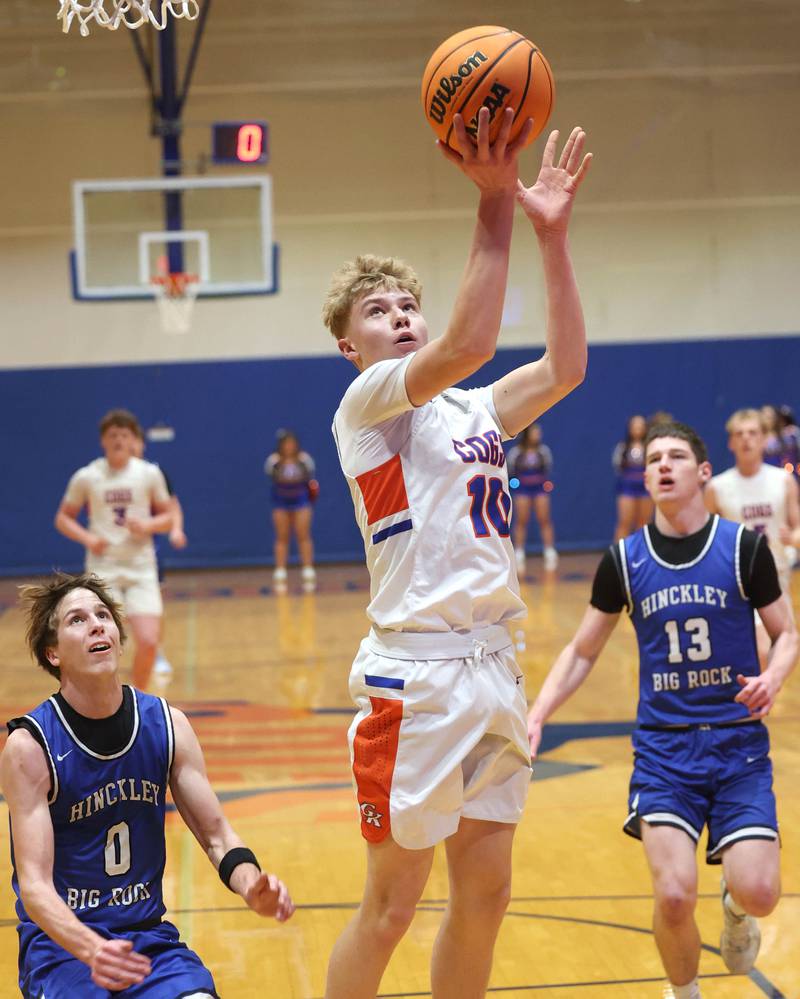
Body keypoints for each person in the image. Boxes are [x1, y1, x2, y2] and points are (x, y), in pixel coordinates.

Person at [323, 108, 591, 999]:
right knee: (391, 907)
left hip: (493, 668)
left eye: (408, 304)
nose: (398, 316)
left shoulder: (473, 410)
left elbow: (564, 368)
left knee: (487, 895)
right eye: (378, 311)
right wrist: (495, 205)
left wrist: (550, 236)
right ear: (347, 345)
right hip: (416, 681)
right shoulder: (367, 407)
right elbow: (469, 341)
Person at [526, 420, 798, 999]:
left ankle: (733, 907)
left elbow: (787, 634)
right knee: (673, 894)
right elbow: (582, 650)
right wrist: (538, 712)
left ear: (703, 473)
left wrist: (774, 676)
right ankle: (685, 992)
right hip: (665, 750)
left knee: (760, 893)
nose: (663, 466)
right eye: (653, 459)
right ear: (644, 476)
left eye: (676, 456)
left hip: (736, 743)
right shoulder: (624, 560)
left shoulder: (743, 548)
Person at [0, 571, 294, 998]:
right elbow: (35, 887)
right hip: (64, 949)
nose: (97, 624)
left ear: (119, 637)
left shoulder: (167, 725)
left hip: (147, 939)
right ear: (53, 653)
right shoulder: (30, 747)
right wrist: (91, 948)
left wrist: (252, 886)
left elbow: (217, 836)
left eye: (103, 615)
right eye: (77, 620)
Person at [55, 410, 173, 689]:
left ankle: (138, 700)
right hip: (103, 567)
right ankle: (104, 698)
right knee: (103, 641)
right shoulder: (87, 476)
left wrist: (147, 524)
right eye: (113, 435)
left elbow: (168, 518)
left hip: (141, 566)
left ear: (133, 439)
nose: (118, 439)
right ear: (103, 441)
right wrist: (88, 538)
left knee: (148, 641)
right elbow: (62, 518)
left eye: (124, 434)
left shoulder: (148, 473)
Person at [705, 408, 800, 662]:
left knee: (781, 653)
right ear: (731, 442)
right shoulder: (717, 487)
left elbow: (797, 527)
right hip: (736, 583)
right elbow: (704, 536)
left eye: (752, 433)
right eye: (739, 434)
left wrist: (793, 538)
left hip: (777, 577)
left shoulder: (784, 481)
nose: (746, 439)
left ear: (765, 438)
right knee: (759, 651)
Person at [129, 429, 187, 677]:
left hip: (146, 549)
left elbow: (173, 506)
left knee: (153, 607)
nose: (129, 446)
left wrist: (176, 529)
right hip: (112, 556)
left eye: (134, 440)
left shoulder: (154, 473)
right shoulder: (101, 476)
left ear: (142, 444)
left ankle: (156, 652)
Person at [264, 429, 318, 593]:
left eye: (291, 443)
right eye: (286, 444)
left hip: (301, 501)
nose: (289, 447)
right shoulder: (274, 462)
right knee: (282, 536)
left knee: (303, 534)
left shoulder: (304, 460)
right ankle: (280, 571)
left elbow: (310, 479)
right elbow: (271, 477)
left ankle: (308, 569)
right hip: (281, 501)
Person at [506, 423, 558, 571]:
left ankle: (549, 550)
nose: (538, 435)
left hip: (539, 488)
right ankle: (519, 551)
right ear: (527, 433)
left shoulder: (543, 451)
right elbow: (511, 472)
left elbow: (547, 469)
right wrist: (516, 484)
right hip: (522, 489)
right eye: (535, 432)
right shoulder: (516, 452)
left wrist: (545, 484)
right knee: (521, 520)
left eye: (539, 432)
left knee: (545, 519)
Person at [612, 414, 653, 541]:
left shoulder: (650, 447)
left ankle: (641, 556)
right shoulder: (623, 448)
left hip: (645, 486)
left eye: (640, 425)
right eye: (634, 425)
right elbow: (617, 466)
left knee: (643, 523)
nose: (637, 428)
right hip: (627, 487)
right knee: (624, 522)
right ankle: (618, 557)